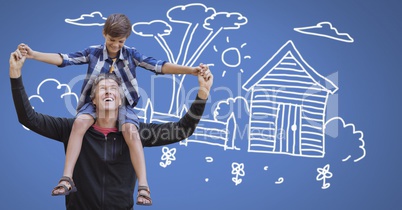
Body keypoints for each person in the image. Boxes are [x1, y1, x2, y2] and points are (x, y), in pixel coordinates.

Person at [17, 13, 204, 204]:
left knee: (131, 131)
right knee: (80, 122)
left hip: (123, 107)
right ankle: (66, 178)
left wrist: (191, 70)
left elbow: (159, 66)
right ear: (104, 34)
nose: (115, 45)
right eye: (111, 40)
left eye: (120, 41)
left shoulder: (132, 55)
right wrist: (33, 55)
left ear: (127, 39)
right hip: (93, 105)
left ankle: (144, 187)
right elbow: (64, 59)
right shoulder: (93, 53)